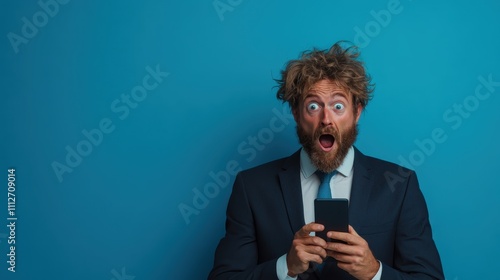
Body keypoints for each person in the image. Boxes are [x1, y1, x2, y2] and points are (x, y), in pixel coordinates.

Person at [208, 42, 444, 280]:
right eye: (313, 106)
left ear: (357, 112)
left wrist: (375, 272)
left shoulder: (400, 186)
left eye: (338, 106)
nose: (326, 119)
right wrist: (284, 267)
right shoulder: (252, 187)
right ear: (296, 113)